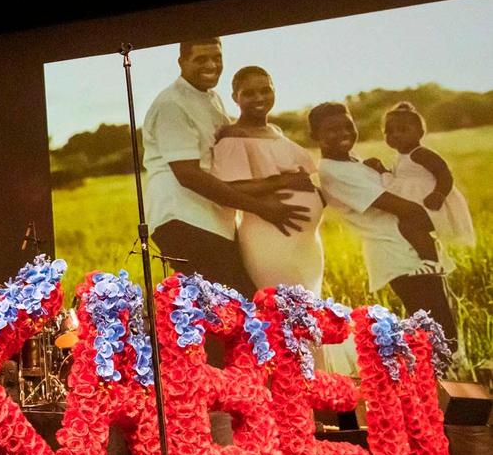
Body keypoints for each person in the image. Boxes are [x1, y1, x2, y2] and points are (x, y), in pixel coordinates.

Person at [141, 38, 308, 297]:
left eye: (216, 57)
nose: (211, 65)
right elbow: (189, 176)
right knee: (230, 308)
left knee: (232, 309)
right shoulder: (171, 104)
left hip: (212, 220)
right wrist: (263, 209)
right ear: (181, 62)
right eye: (200, 59)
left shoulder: (211, 98)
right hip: (183, 218)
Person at [311, 102, 458, 346]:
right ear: (315, 136)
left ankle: (445, 376)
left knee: (440, 323)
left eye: (348, 126)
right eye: (332, 130)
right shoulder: (334, 171)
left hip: (413, 248)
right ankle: (441, 380)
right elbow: (406, 209)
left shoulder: (352, 161)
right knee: (435, 332)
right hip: (397, 254)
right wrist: (438, 215)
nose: (344, 133)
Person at [211, 66, 324, 293]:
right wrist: (283, 183)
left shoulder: (275, 131)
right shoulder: (233, 136)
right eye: (249, 93)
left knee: (310, 310)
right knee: (284, 307)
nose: (259, 98)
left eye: (265, 90)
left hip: (306, 244)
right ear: (236, 97)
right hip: (269, 237)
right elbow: (230, 188)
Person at [364, 101, 476, 247]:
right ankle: (428, 255)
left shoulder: (421, 154)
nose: (395, 134)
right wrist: (381, 169)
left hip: (430, 201)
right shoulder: (400, 157)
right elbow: (397, 178)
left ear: (420, 133)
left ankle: (434, 256)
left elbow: (444, 173)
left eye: (403, 130)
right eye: (389, 131)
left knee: (422, 230)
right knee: (409, 230)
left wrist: (439, 194)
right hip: (414, 204)